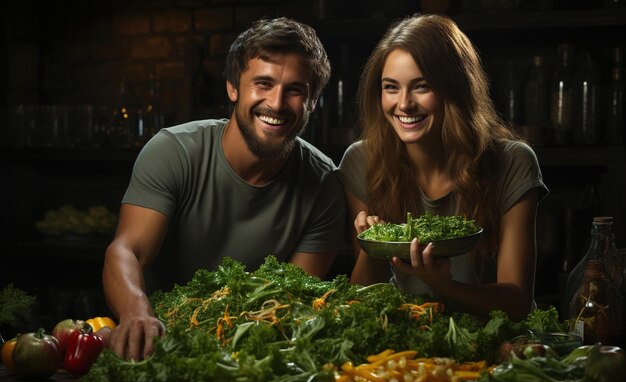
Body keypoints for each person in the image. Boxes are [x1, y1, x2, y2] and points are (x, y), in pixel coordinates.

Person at [102, 17, 347, 360]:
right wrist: (136, 313)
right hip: (156, 348)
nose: (276, 104)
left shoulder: (324, 185)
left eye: (295, 90)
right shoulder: (174, 151)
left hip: (249, 356)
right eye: (263, 83)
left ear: (313, 102)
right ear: (233, 87)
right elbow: (126, 251)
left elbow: (290, 299)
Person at [338, 14, 548, 322]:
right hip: (410, 348)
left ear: (455, 88)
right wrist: (373, 246)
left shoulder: (513, 161)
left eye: (421, 86)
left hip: (495, 346)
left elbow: (516, 303)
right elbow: (362, 300)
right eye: (391, 87)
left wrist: (443, 286)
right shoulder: (361, 161)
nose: (404, 104)